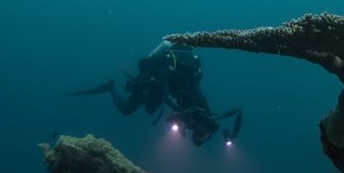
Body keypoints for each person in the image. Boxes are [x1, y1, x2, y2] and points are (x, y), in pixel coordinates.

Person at [68, 41, 242, 146]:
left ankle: (133, 85)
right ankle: (111, 87)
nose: (197, 134)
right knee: (126, 110)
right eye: (200, 135)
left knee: (150, 109)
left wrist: (233, 134)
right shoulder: (196, 107)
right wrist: (174, 110)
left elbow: (236, 111)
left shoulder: (200, 112)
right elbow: (167, 88)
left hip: (161, 88)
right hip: (153, 82)